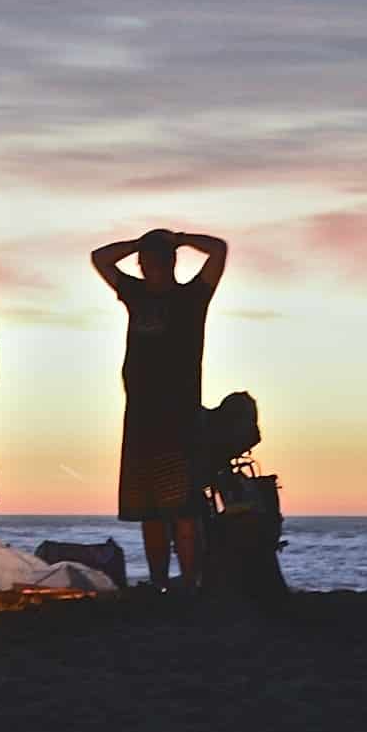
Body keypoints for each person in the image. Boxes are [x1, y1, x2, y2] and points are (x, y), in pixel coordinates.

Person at [91, 228, 228, 587]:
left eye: (155, 259)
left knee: (183, 508)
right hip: (140, 418)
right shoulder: (134, 294)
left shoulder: (192, 297)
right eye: (144, 261)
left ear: (170, 262)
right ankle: (158, 581)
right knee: (148, 510)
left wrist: (179, 237)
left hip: (180, 417)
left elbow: (219, 250)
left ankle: (189, 581)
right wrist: (139, 242)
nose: (147, 266)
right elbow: (100, 258)